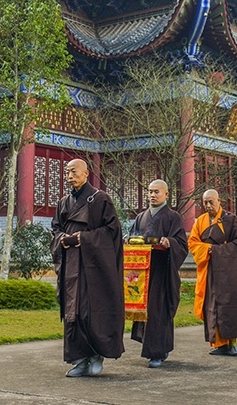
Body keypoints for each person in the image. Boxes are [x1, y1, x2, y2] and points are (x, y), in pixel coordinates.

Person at [51, 159, 125, 377]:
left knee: (88, 311)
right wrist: (62, 239)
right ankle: (80, 360)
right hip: (70, 266)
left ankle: (96, 355)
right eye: (67, 172)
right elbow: (55, 228)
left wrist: (85, 238)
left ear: (86, 173)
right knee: (72, 312)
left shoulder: (99, 199)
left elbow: (112, 231)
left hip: (93, 267)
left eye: (74, 172)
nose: (69, 176)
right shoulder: (64, 202)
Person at [188, 189, 237, 355]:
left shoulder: (230, 219)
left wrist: (217, 250)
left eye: (211, 201)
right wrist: (208, 249)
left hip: (229, 272)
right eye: (205, 202)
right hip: (210, 270)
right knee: (212, 306)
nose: (208, 205)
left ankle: (232, 343)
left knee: (231, 306)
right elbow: (192, 243)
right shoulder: (201, 221)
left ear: (219, 201)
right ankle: (218, 344)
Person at [128, 179, 187, 368]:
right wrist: (129, 240)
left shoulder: (173, 217)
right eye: (150, 191)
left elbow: (182, 244)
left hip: (162, 271)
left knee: (158, 310)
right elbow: (133, 236)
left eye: (157, 192)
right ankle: (153, 347)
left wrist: (170, 242)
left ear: (166, 195)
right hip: (143, 273)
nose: (152, 195)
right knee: (146, 310)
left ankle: (158, 352)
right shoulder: (141, 216)